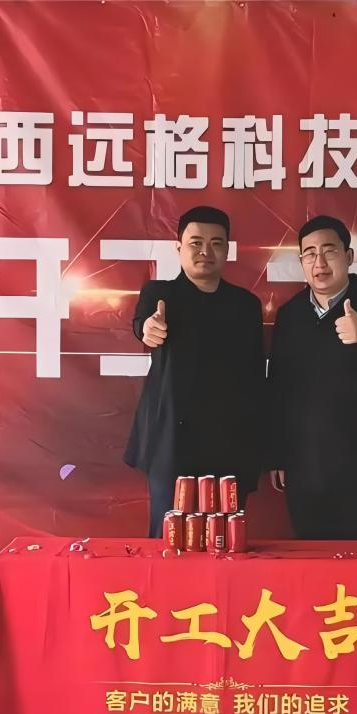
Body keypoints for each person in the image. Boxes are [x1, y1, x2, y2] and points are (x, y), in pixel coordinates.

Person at [123, 206, 264, 537]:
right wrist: (149, 329)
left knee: (225, 540)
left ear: (227, 249)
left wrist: (263, 450)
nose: (205, 251)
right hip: (172, 442)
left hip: (231, 443)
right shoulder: (160, 294)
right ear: (179, 248)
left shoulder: (245, 305)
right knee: (169, 538)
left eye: (216, 243)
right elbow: (144, 324)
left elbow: (257, 379)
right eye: (196, 243)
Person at [267, 215, 357, 540]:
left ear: (348, 256)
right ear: (301, 261)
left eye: (329, 251)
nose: (320, 263)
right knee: (313, 562)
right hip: (305, 465)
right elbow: (278, 388)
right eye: (310, 254)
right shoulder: (290, 314)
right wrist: (277, 455)